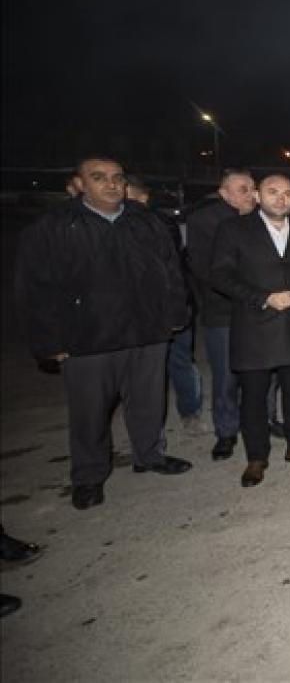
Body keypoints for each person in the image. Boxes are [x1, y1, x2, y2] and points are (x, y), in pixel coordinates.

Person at [14, 156, 192, 510]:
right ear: (80, 184)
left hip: (146, 330)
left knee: (148, 402)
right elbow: (35, 289)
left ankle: (150, 455)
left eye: (116, 178)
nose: (110, 184)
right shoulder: (55, 227)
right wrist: (49, 342)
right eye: (99, 178)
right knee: (89, 413)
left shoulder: (145, 222)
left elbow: (170, 272)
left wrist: (174, 316)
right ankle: (89, 477)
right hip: (87, 338)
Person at [210, 174, 290, 487]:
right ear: (256, 195)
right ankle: (256, 457)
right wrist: (264, 298)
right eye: (273, 192)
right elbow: (221, 275)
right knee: (253, 396)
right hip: (255, 326)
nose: (281, 198)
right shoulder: (234, 229)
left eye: (288, 193)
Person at [183, 168, 257, 460]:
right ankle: (226, 432)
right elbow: (204, 269)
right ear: (224, 193)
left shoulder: (262, 219)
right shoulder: (204, 220)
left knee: (263, 373)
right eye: (243, 189)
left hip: (261, 312)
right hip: (224, 311)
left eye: (253, 188)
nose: (251, 194)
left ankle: (265, 420)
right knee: (226, 376)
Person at [125, 176, 203, 434]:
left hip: (171, 305)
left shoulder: (158, 224)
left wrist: (180, 309)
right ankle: (147, 433)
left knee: (179, 362)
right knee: (143, 372)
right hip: (137, 312)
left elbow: (173, 268)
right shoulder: (110, 227)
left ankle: (190, 412)